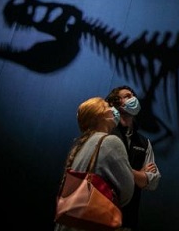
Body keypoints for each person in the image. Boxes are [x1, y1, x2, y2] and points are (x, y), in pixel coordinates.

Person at [55, 96, 135, 231]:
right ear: (99, 115)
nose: (113, 109)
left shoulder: (80, 145)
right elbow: (127, 192)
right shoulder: (111, 142)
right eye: (107, 106)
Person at [106, 86, 162, 231]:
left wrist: (123, 169)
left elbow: (152, 181)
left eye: (133, 95)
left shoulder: (144, 142)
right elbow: (103, 169)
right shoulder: (105, 134)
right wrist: (139, 174)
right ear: (116, 103)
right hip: (100, 212)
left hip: (127, 220)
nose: (134, 99)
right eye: (128, 96)